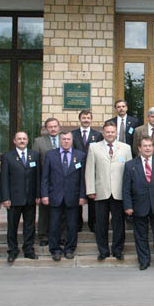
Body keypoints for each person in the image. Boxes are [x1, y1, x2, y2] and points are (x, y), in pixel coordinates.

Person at [122, 136, 154, 271]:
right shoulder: (130, 165)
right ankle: (144, 261)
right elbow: (126, 188)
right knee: (141, 236)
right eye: (145, 146)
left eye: (150, 145)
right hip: (139, 206)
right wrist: (128, 206)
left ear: (153, 147)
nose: (148, 148)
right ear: (139, 148)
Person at [85, 121, 132, 261]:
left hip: (119, 192)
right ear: (103, 133)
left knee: (119, 224)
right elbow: (90, 170)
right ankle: (103, 251)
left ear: (116, 133)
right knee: (101, 224)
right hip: (101, 191)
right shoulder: (94, 147)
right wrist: (90, 190)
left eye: (112, 132)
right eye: (107, 132)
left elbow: (130, 172)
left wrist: (129, 192)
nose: (110, 134)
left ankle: (117, 250)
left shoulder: (125, 148)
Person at [41, 131, 86, 261]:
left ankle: (70, 249)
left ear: (72, 140)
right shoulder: (50, 155)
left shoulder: (80, 155)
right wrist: (44, 194)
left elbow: (83, 178)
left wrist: (82, 195)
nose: (66, 141)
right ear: (59, 140)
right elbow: (45, 177)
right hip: (55, 196)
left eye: (68, 139)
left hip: (73, 196)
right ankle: (55, 250)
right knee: (54, 225)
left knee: (72, 225)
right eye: (64, 139)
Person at [0, 131, 40, 263]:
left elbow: (38, 177)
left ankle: (28, 250)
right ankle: (12, 251)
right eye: (19, 139)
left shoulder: (34, 155)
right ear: (14, 141)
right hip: (13, 199)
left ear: (27, 140)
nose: (22, 141)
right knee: (12, 226)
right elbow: (3, 179)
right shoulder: (7, 156)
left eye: (24, 139)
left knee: (29, 226)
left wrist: (38, 195)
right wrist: (5, 198)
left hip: (30, 198)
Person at [32, 117, 62, 246]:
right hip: (46, 181)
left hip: (62, 181)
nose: (53, 129)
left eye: (55, 126)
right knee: (45, 210)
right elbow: (36, 165)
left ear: (59, 127)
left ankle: (60, 236)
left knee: (61, 210)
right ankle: (43, 236)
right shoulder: (38, 142)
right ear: (46, 129)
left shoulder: (65, 139)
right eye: (50, 127)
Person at [71, 110, 102, 233]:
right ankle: (77, 223)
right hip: (76, 170)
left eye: (88, 118)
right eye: (83, 118)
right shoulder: (72, 134)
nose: (86, 120)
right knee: (77, 197)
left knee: (92, 197)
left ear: (91, 119)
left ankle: (93, 224)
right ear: (80, 119)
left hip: (93, 170)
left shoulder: (98, 135)